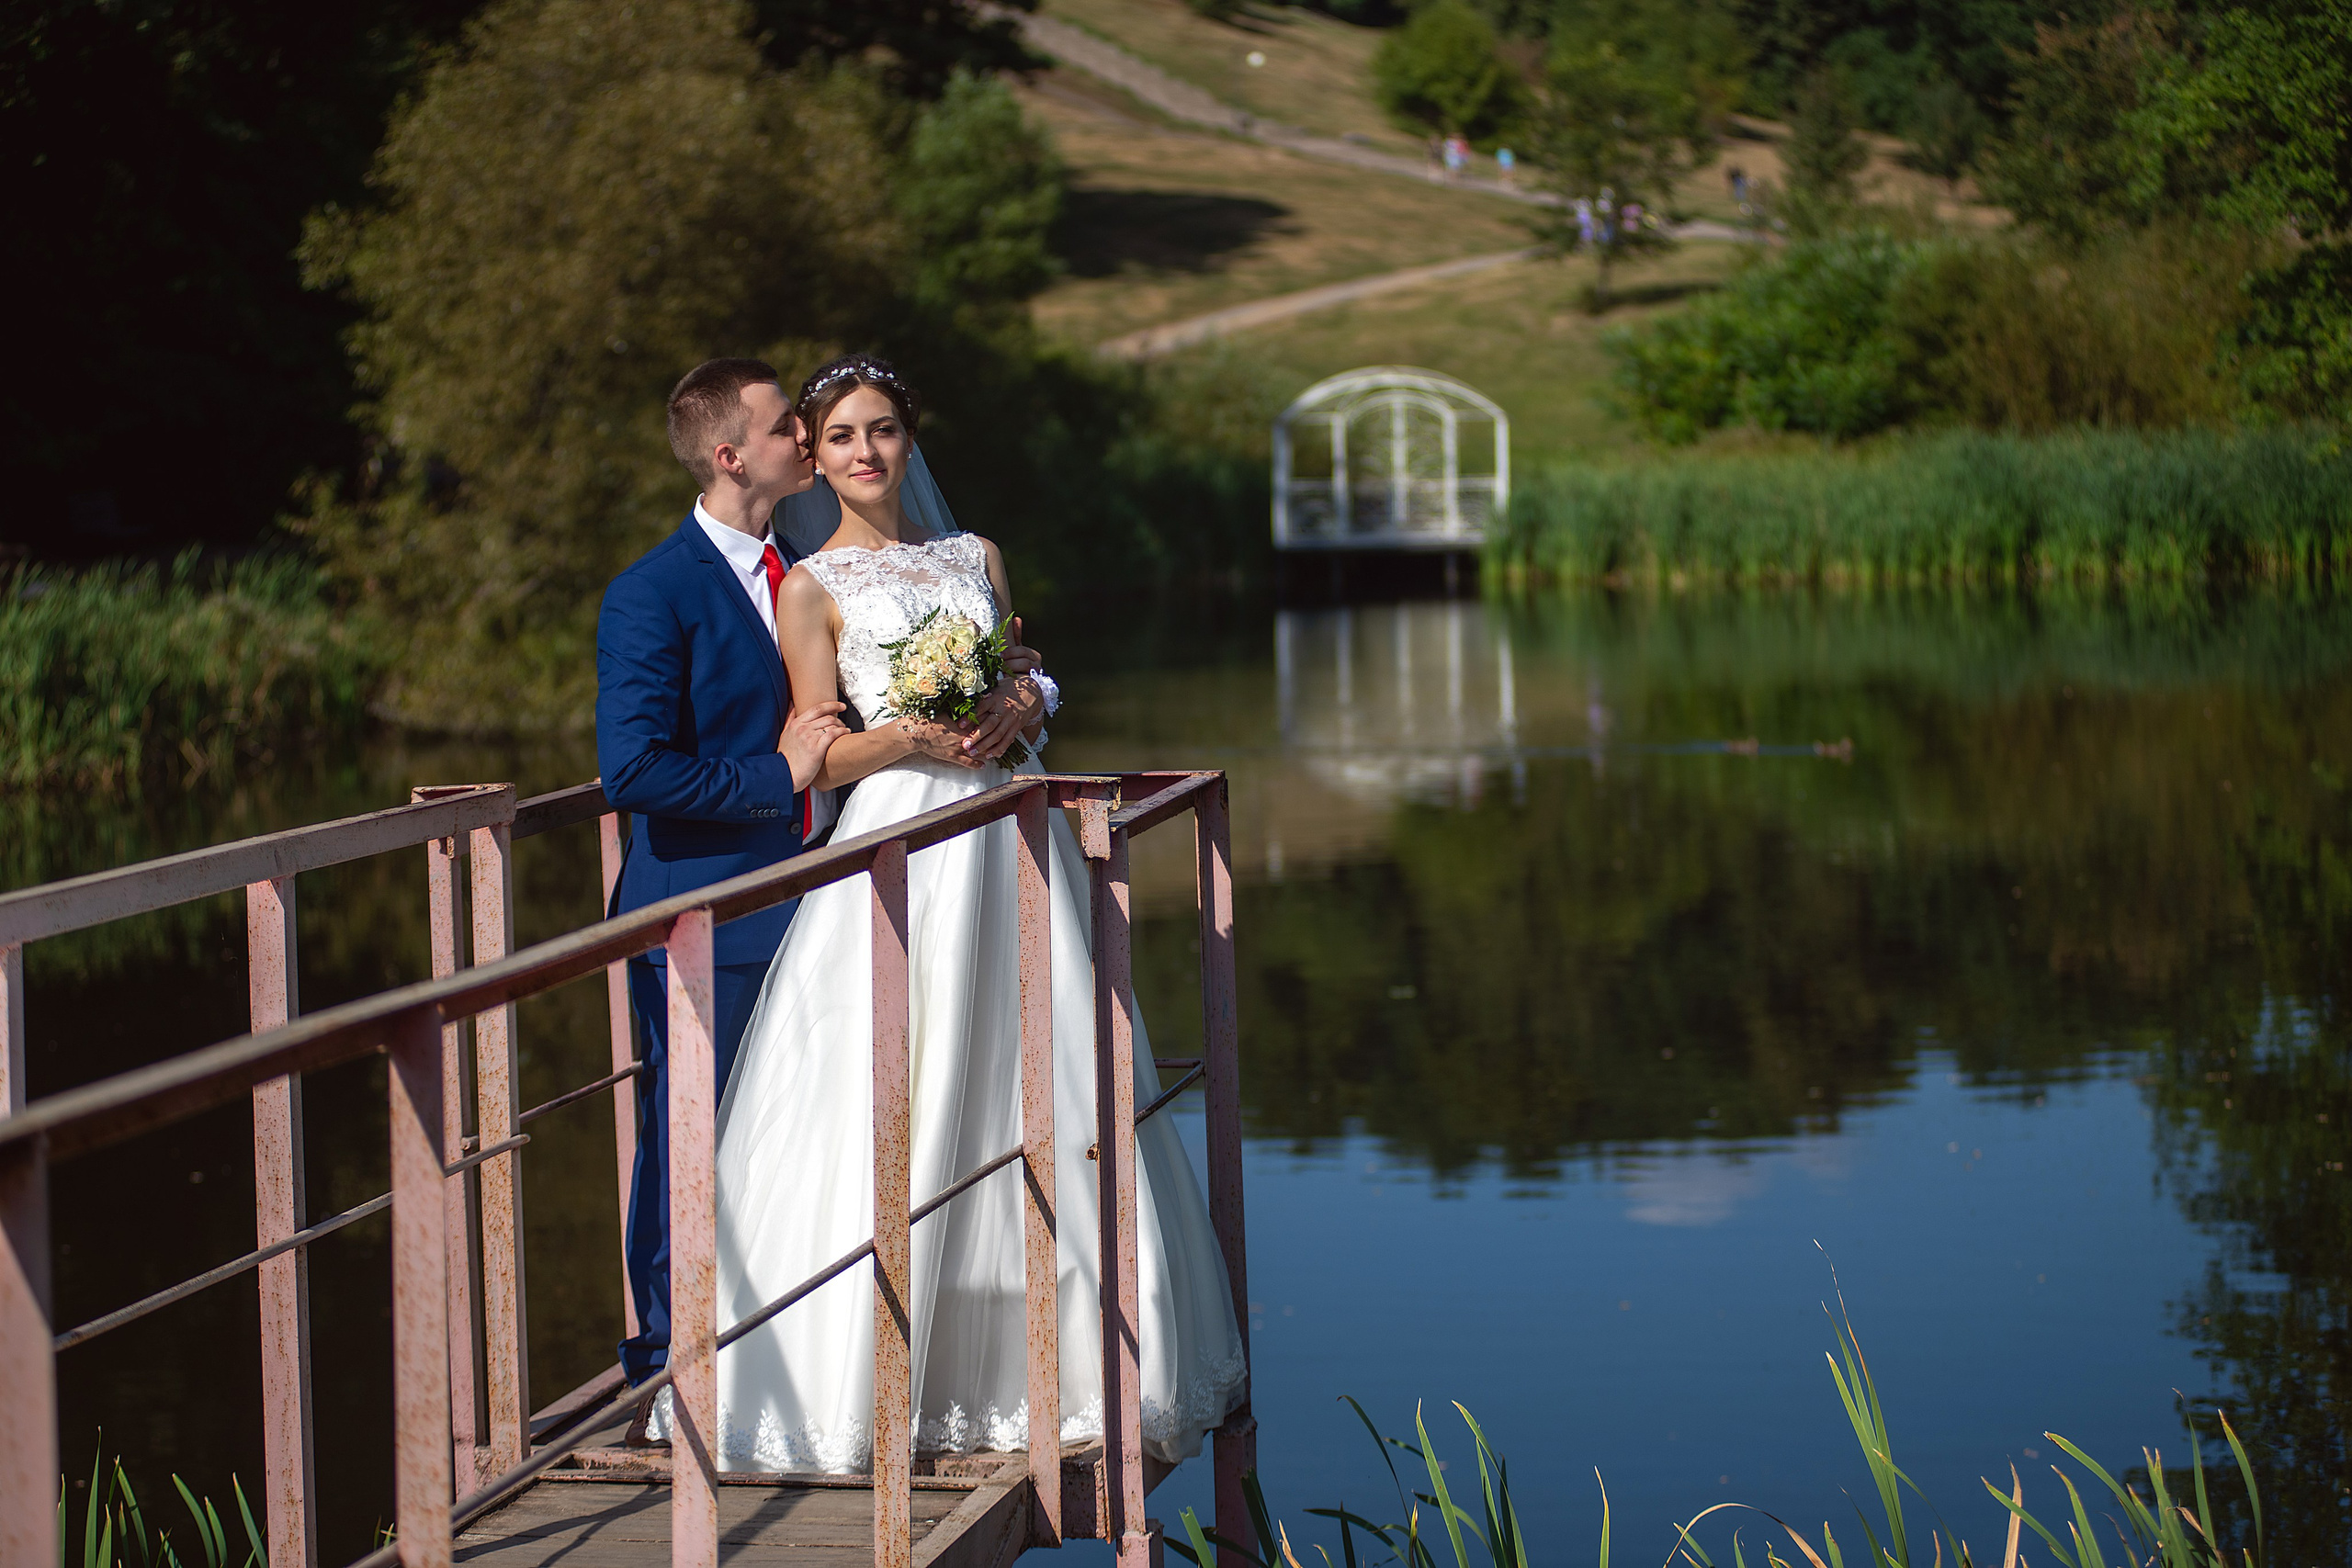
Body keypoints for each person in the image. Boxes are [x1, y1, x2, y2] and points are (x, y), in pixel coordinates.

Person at [654, 354, 1248, 1472]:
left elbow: (1025, 678)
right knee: (894, 1075)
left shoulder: (974, 555)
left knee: (1042, 1064)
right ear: (813, 458)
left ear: (908, 443)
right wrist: (916, 734)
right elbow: (818, 745)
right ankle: (859, 1378)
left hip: (1003, 825)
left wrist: (1021, 695)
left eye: (882, 432)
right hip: (896, 836)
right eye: (840, 438)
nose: (865, 453)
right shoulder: (810, 584)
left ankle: (1063, 1364)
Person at [596, 358, 850, 1386]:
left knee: (798, 1135)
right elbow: (635, 769)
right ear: (730, 454)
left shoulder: (815, 569)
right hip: (704, 912)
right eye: (788, 422)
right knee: (689, 1139)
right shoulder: (653, 593)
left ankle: (783, 1352)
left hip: (822, 901)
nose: (808, 432)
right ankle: (666, 1362)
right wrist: (774, 774)